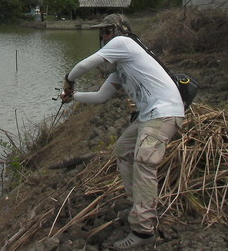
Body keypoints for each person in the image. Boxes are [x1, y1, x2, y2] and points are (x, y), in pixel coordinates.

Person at [61, 14, 184, 249]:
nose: (103, 37)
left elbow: (84, 65)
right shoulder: (121, 69)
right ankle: (138, 204)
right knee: (124, 149)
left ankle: (144, 230)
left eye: (107, 31)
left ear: (117, 30)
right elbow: (101, 96)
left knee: (144, 160)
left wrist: (68, 80)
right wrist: (72, 97)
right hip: (149, 116)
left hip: (165, 112)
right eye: (101, 33)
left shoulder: (125, 42)